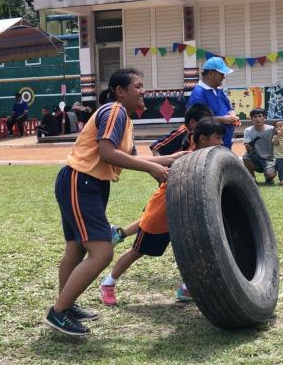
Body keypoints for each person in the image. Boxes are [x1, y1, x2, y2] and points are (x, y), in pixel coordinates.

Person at [44, 68, 187, 337]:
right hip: (81, 181)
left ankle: (66, 304)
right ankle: (59, 311)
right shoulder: (115, 111)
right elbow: (107, 153)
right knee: (102, 252)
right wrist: (152, 168)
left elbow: (131, 158)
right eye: (138, 86)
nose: (143, 91)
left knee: (76, 248)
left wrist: (168, 160)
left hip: (87, 183)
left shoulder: (125, 120)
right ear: (120, 91)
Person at [98, 119, 226, 305]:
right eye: (218, 138)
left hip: (188, 216)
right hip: (161, 214)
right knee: (137, 251)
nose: (221, 142)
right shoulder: (186, 159)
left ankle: (187, 287)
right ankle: (108, 283)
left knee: (195, 251)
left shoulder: (209, 160)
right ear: (204, 139)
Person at [187, 57, 241, 149]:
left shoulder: (218, 90)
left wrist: (233, 115)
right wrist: (222, 119)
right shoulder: (199, 94)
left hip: (225, 145)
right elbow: (197, 122)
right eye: (221, 74)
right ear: (211, 73)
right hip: (211, 149)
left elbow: (229, 108)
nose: (223, 77)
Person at [243, 108, 277, 184]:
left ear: (264, 117)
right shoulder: (248, 130)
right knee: (245, 157)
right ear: (251, 119)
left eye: (260, 116)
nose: (257, 119)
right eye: (255, 117)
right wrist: (248, 147)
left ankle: (268, 177)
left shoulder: (272, 129)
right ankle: (252, 178)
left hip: (270, 159)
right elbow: (247, 146)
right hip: (256, 158)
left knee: (270, 175)